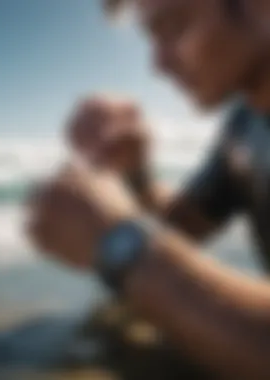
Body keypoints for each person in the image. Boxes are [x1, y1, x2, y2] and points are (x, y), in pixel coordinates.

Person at [27, 0, 270, 378]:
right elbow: (186, 224)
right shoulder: (243, 127)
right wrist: (135, 171)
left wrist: (119, 245)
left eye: (173, 27)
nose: (157, 65)